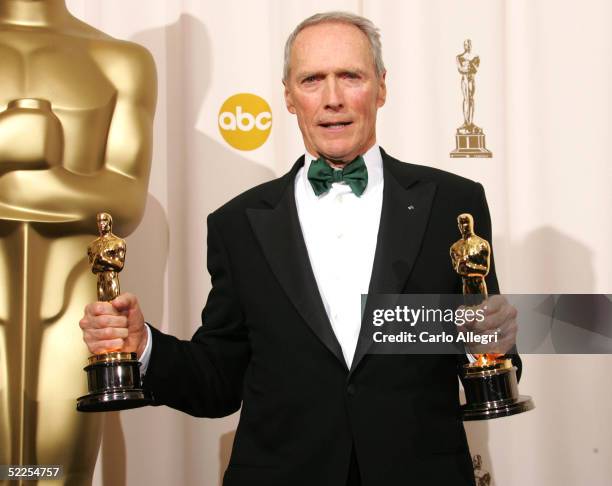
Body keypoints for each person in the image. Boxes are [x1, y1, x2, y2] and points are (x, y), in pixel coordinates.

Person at [80, 11, 519, 486]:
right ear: (288, 96)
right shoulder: (238, 224)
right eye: (312, 79)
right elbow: (219, 381)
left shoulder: (453, 204)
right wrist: (144, 346)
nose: (332, 99)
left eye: (350, 76)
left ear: (382, 87)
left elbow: (480, 351)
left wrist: (495, 345)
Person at [0, 0, 155, 483]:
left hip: (72, 308)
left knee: (54, 474)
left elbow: (125, 201)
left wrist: (26, 172)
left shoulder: (119, 60)